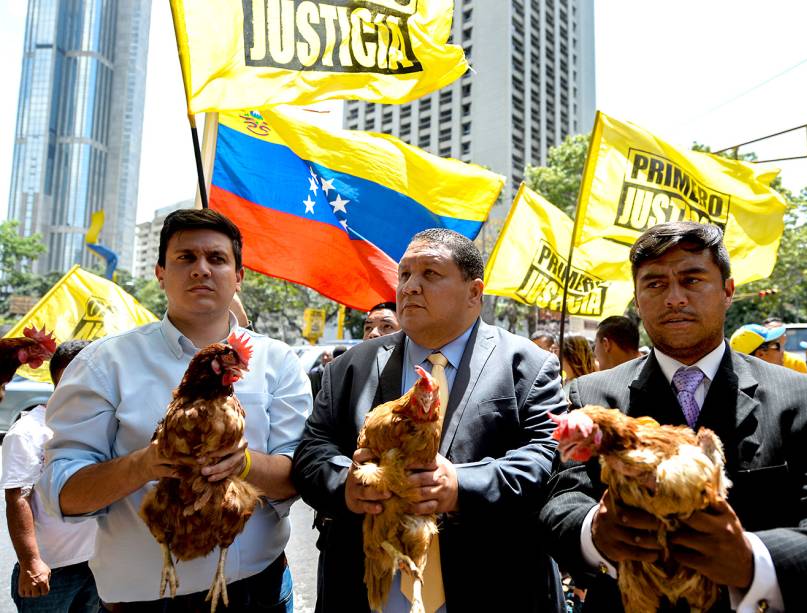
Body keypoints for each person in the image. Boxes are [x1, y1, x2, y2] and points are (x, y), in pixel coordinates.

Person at [539, 221, 807, 612]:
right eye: (654, 284)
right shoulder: (590, 396)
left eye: (692, 280)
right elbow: (560, 505)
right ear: (637, 301)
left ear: (727, 291)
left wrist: (750, 560)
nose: (674, 298)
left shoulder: (805, 399)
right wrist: (595, 532)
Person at [38, 209, 312, 611]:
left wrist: (243, 464)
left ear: (239, 277)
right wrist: (146, 464)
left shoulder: (279, 361)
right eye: (186, 258)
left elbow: (297, 474)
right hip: (147, 599)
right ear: (160, 272)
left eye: (217, 259)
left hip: (260, 589)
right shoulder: (102, 363)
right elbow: (61, 493)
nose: (201, 269)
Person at [292, 228, 567, 612]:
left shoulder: (528, 365)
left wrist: (461, 485)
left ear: (474, 292)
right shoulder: (349, 367)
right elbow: (310, 453)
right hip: (366, 591)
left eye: (430, 274)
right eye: (404, 274)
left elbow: (549, 457)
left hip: (494, 589)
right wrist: (348, 484)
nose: (409, 287)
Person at [1, 340, 97, 612]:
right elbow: (18, 499)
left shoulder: (101, 423)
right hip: (51, 571)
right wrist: (31, 562)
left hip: (98, 565)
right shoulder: (29, 431)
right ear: (59, 377)